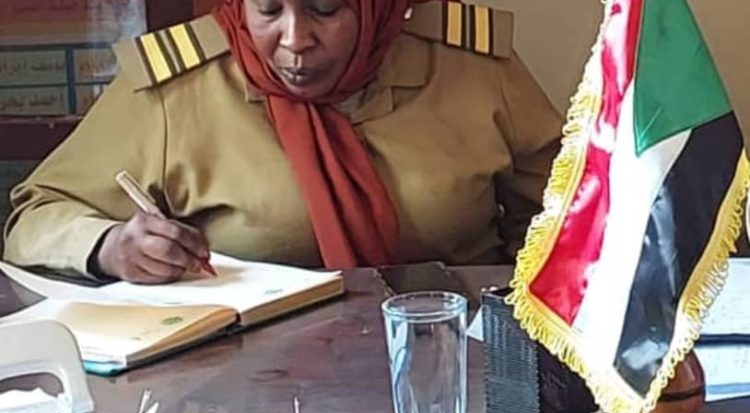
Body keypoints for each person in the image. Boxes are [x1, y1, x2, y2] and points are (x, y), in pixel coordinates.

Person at [3, 0, 562, 284]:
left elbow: (573, 218)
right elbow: (35, 216)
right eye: (268, 9)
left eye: (325, 8)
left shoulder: (471, 69)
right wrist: (108, 246)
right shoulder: (177, 90)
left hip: (454, 359)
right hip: (236, 384)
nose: (295, 40)